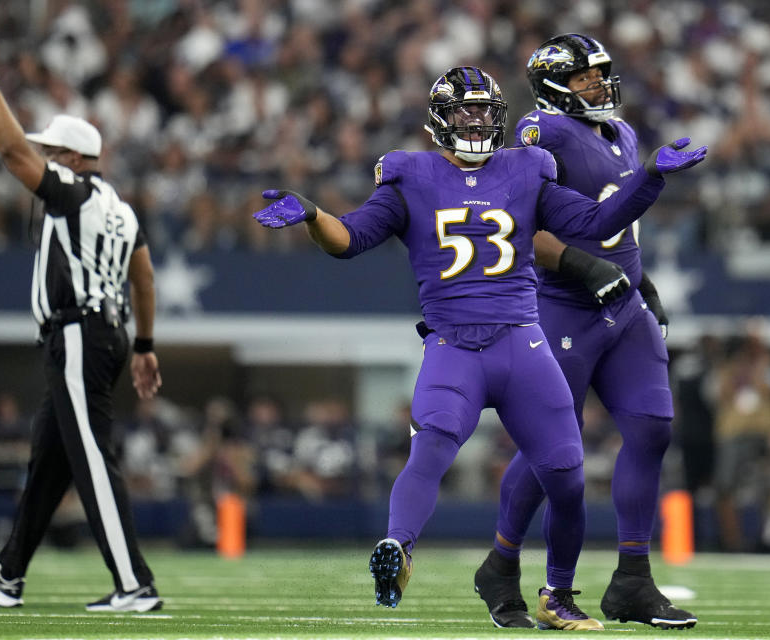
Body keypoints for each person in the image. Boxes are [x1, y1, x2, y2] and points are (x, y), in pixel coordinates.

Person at [253, 65, 705, 630]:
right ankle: (398, 547)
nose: (475, 122)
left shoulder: (526, 167)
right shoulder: (409, 175)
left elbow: (596, 220)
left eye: (485, 112)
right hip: (455, 344)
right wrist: (315, 216)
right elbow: (350, 239)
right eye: (463, 112)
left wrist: (650, 176)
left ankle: (556, 596)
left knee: (566, 476)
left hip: (522, 340)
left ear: (500, 117)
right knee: (433, 447)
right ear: (438, 119)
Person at [473, 34, 699, 630]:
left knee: (652, 429)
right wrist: (578, 264)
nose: (597, 84)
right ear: (553, 86)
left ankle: (632, 580)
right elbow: (515, 223)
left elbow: (620, 219)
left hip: (622, 307)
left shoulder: (621, 132)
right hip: (560, 306)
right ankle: (501, 562)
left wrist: (640, 280)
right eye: (582, 77)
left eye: (600, 73)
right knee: (555, 450)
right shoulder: (537, 134)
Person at [0, 27, 163, 613]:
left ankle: (134, 583)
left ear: (73, 159)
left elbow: (11, 152)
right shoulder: (119, 208)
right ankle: (8, 572)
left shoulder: (72, 190)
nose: (45, 159)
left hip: (79, 332)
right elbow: (143, 277)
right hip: (107, 330)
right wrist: (145, 345)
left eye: (53, 151)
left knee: (92, 456)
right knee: (49, 461)